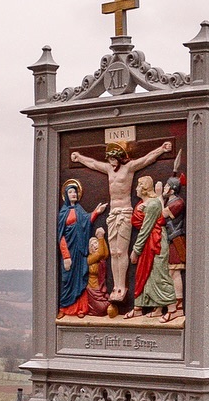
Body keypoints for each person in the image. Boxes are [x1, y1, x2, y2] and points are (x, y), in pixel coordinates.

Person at [67, 135, 173, 309]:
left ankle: (121, 286)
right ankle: (115, 286)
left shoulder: (129, 168)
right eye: (109, 158)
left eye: (113, 158)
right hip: (113, 213)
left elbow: (146, 159)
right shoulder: (109, 169)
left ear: (121, 157)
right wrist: (79, 158)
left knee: (120, 251)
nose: (111, 161)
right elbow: (93, 164)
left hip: (124, 211)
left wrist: (161, 149)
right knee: (113, 252)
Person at [126, 175, 179, 319]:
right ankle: (141, 308)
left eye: (138, 186)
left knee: (159, 275)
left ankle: (172, 310)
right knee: (145, 275)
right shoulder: (146, 204)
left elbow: (146, 228)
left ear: (144, 189)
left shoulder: (153, 204)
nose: (136, 189)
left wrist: (135, 250)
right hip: (149, 242)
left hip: (156, 243)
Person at [56, 179, 104, 318]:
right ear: (66, 194)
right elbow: (61, 236)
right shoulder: (63, 213)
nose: (73, 194)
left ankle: (82, 308)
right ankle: (64, 308)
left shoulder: (79, 210)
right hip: (69, 252)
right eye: (70, 192)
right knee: (68, 280)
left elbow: (86, 221)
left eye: (75, 192)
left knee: (80, 279)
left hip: (80, 249)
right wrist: (66, 256)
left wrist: (96, 212)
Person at [163, 172, 186, 316]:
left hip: (176, 240)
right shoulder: (171, 201)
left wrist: (158, 196)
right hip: (170, 239)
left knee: (174, 272)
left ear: (171, 189)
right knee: (171, 272)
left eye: (166, 186)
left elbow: (163, 214)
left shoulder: (178, 203)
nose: (164, 188)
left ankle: (178, 307)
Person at [85, 227, 111, 316]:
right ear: (90, 248)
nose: (95, 245)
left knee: (107, 305)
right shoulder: (90, 259)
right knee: (102, 308)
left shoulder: (101, 259)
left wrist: (102, 239)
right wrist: (100, 237)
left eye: (96, 243)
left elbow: (105, 253)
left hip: (100, 287)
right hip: (92, 288)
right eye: (92, 245)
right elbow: (100, 253)